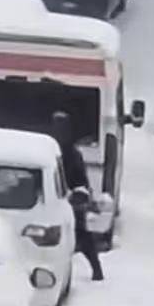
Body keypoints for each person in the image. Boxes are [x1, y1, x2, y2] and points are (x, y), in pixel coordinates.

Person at [50, 111, 104, 281]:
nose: (59, 131)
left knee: (81, 235)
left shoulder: (71, 153)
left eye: (62, 127)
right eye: (56, 126)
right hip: (52, 198)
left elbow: (81, 180)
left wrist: (79, 195)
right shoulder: (50, 149)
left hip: (70, 199)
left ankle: (96, 270)